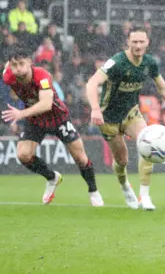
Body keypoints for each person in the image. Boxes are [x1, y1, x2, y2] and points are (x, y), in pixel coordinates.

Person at [86, 27, 165, 211]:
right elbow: (92, 83)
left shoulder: (149, 63)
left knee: (149, 142)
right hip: (108, 118)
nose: (137, 46)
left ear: (147, 42)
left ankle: (144, 195)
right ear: (128, 42)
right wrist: (95, 109)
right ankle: (125, 186)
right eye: (134, 42)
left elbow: (164, 89)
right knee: (122, 161)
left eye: (141, 42)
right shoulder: (117, 62)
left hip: (131, 114)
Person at [2, 49, 103, 206]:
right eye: (14, 65)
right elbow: (6, 68)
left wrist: (21, 113)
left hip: (58, 117)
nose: (18, 69)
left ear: (29, 62)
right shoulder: (8, 76)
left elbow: (46, 104)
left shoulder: (41, 75)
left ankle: (93, 190)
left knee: (80, 159)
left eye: (22, 64)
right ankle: (52, 177)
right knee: (23, 155)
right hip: (35, 119)